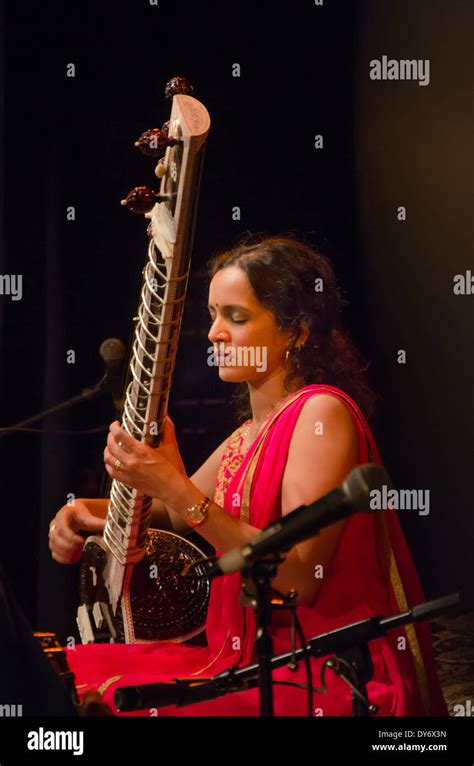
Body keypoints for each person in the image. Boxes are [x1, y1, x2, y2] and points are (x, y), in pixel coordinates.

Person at [48, 235, 448, 716]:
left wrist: (175, 484)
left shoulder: (321, 413)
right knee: (70, 670)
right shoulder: (247, 435)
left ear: (295, 331)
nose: (215, 333)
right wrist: (85, 510)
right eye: (214, 314)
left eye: (235, 317)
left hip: (318, 671)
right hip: (238, 661)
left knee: (115, 703)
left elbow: (298, 577)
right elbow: (178, 514)